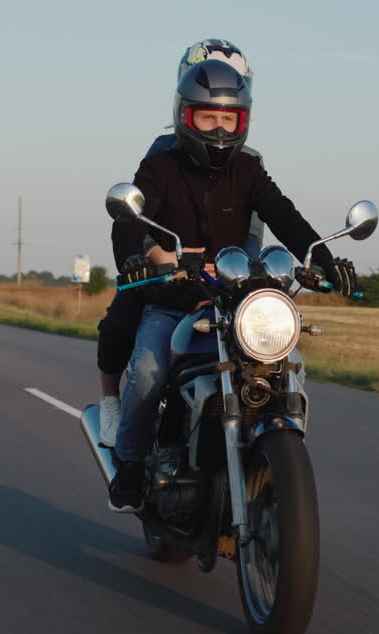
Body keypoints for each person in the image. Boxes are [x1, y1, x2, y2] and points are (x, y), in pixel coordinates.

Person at [106, 59, 359, 512]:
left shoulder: (246, 170)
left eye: (229, 118)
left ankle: (273, 458)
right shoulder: (161, 166)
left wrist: (323, 257)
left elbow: (283, 214)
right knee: (147, 371)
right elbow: (129, 220)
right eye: (208, 116)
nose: (219, 128)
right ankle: (129, 463)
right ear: (186, 116)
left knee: (284, 362)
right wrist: (143, 258)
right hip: (173, 300)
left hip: (233, 302)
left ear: (243, 120)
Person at [96, 39, 265, 448]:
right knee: (127, 315)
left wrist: (247, 268)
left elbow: (256, 227)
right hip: (170, 274)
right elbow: (139, 216)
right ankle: (111, 406)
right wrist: (154, 255)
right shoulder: (163, 152)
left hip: (224, 280)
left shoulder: (248, 161)